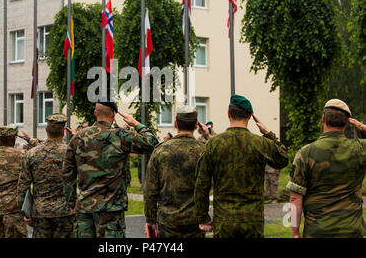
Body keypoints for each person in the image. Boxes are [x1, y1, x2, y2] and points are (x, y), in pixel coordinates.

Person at [194, 94, 288, 238]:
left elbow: (202, 183)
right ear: (250, 116)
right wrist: (268, 134)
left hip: (224, 221)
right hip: (252, 221)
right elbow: (283, 159)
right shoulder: (260, 143)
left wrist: (203, 217)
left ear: (228, 114)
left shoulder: (214, 144)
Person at [63, 98, 159, 238]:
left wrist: (71, 204)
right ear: (113, 115)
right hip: (111, 209)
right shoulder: (120, 136)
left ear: (95, 113)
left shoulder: (78, 138)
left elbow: (67, 174)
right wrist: (135, 123)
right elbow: (152, 142)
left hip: (85, 208)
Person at [287, 99, 366, 238]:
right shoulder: (360, 149)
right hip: (352, 231)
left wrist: (294, 233)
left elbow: (294, 198)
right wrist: (363, 127)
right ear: (347, 122)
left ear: (323, 119)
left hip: (317, 232)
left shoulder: (305, 153)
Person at [144, 106, 209, 238]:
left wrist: (150, 219)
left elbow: (150, 189)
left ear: (175, 124)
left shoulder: (160, 151)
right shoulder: (204, 151)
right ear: (196, 125)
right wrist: (207, 136)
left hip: (168, 221)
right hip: (195, 220)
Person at [17, 114, 75, 238]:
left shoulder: (32, 153)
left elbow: (23, 185)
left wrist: (25, 212)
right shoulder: (71, 152)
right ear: (64, 132)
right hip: (65, 211)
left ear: (46, 130)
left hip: (40, 211)